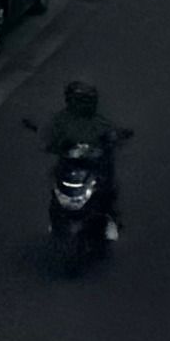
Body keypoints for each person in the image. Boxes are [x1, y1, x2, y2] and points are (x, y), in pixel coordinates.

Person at [50, 73, 131, 246]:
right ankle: (55, 218)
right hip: (70, 166)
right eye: (78, 100)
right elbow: (47, 135)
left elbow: (113, 134)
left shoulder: (100, 122)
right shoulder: (60, 120)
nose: (81, 105)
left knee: (108, 187)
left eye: (85, 101)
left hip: (93, 166)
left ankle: (110, 217)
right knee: (54, 184)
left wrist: (115, 138)